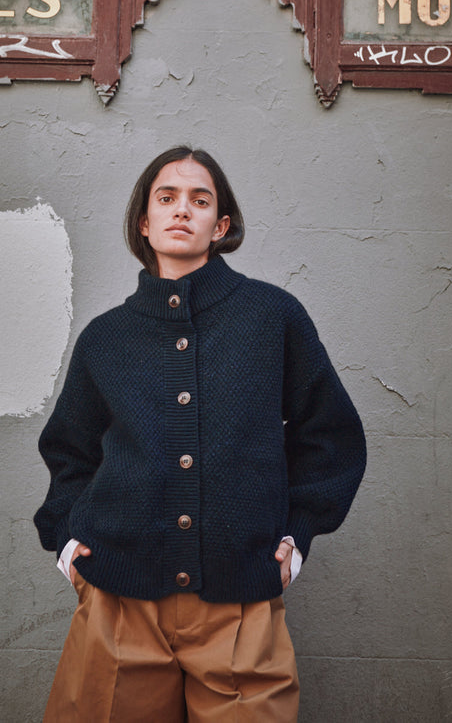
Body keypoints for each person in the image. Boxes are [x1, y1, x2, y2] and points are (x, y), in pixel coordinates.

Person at [34, 146, 366, 722]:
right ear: (144, 221)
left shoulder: (272, 316)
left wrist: (299, 533)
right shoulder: (104, 338)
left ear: (222, 224)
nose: (181, 210)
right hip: (118, 600)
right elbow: (70, 452)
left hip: (241, 603)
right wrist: (66, 543)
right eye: (166, 198)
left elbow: (329, 434)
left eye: (199, 199)